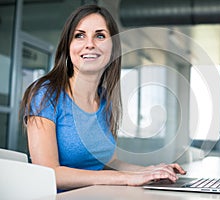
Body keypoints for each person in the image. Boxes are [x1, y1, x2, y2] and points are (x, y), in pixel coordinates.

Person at [20, 4, 186, 191]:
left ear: (112, 48)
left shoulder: (105, 100)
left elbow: (109, 162)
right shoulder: (45, 94)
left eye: (100, 36)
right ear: (68, 46)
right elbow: (48, 172)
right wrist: (124, 178)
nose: (89, 44)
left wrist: (149, 171)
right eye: (79, 35)